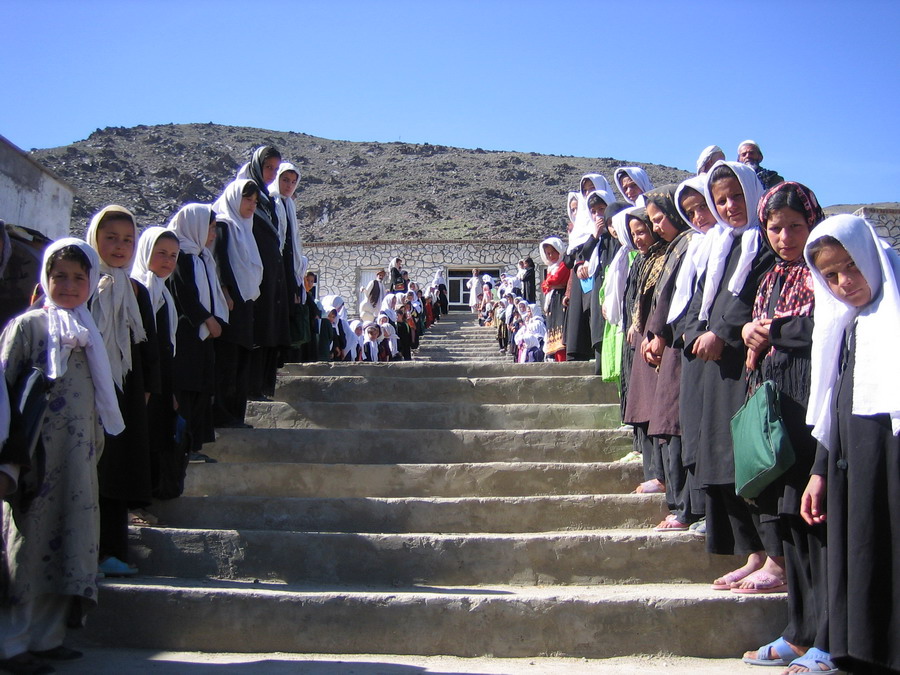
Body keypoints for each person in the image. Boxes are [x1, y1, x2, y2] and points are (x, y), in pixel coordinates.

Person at [0, 239, 124, 673]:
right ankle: (11, 644)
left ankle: (46, 638)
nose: (69, 285)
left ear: (90, 282)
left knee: (69, 544)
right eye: (59, 277)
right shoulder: (29, 327)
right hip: (34, 462)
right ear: (45, 280)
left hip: (78, 463)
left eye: (78, 277)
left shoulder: (89, 333)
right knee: (26, 547)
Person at [800, 214, 900, 675]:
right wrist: (820, 469)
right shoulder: (847, 324)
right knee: (858, 550)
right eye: (831, 276)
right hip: (850, 463)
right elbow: (833, 401)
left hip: (890, 461)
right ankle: (857, 651)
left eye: (852, 267)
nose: (844, 282)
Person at [739, 182, 832, 671]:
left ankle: (828, 636)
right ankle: (797, 631)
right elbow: (758, 326)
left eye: (795, 226)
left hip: (810, 408)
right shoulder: (772, 275)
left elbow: (825, 327)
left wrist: (771, 330)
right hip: (778, 409)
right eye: (775, 227)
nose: (784, 236)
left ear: (812, 222)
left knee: (816, 530)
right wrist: (749, 332)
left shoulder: (825, 271)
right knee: (790, 527)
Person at [681, 161, 776, 589]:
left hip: (744, 367)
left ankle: (776, 557)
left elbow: (748, 298)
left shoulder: (766, 243)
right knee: (722, 461)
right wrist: (696, 333)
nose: (730, 206)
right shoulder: (719, 245)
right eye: (721, 200)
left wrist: (721, 333)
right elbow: (704, 297)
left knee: (751, 461)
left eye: (736, 196)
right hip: (712, 368)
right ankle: (752, 552)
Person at [86, 205, 156, 577]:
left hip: (125, 393)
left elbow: (147, 345)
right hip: (86, 391)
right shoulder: (82, 283)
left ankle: (112, 549)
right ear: (95, 237)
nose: (119, 246)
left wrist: (146, 390)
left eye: (128, 239)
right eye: (110, 237)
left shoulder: (136, 291)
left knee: (115, 471)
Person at [167, 203, 228, 464]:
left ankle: (192, 447)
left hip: (201, 338)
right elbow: (184, 296)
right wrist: (207, 319)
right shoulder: (180, 257)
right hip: (186, 336)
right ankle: (181, 447)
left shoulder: (201, 257)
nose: (212, 235)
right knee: (186, 391)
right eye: (210, 228)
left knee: (200, 391)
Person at [130, 227, 185, 499]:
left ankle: (149, 496)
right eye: (161, 253)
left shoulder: (163, 294)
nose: (167, 261)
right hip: (142, 381)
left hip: (161, 380)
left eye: (173, 256)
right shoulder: (137, 291)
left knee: (157, 438)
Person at [211, 178, 263, 428]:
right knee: (227, 362)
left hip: (245, 303)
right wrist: (226, 292)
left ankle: (236, 415)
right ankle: (222, 415)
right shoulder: (223, 225)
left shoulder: (246, 229)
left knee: (242, 361)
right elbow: (220, 261)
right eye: (247, 199)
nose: (251, 205)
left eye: (255, 201)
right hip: (229, 303)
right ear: (234, 198)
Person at [238, 146, 290, 400]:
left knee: (270, 329)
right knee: (257, 329)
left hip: (271, 276)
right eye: (268, 167)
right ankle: (251, 387)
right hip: (254, 276)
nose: (271, 173)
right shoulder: (243, 194)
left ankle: (264, 385)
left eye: (275, 169)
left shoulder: (268, 200)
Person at [539, 237, 569, 362]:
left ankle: (562, 359)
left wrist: (550, 284)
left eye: (552, 252)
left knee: (560, 331)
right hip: (553, 300)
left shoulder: (564, 264)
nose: (550, 256)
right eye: (548, 253)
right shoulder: (551, 268)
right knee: (553, 331)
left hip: (560, 299)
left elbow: (554, 280)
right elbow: (544, 286)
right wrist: (550, 284)